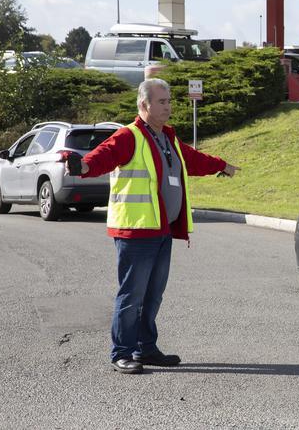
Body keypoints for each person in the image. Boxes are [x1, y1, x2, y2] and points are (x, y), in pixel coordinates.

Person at [67, 78, 241, 375]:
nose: (168, 106)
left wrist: (220, 165)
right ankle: (121, 352)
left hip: (161, 231)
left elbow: (193, 159)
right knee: (131, 295)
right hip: (135, 232)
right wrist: (82, 166)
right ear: (144, 105)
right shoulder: (129, 136)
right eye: (162, 101)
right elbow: (104, 156)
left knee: (153, 295)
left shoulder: (167, 138)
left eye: (169, 100)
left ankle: (145, 348)